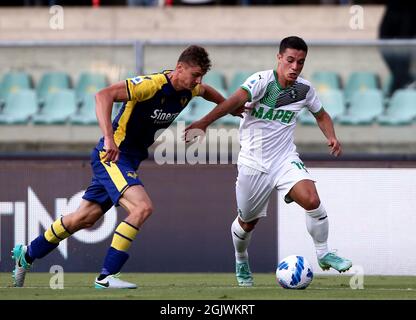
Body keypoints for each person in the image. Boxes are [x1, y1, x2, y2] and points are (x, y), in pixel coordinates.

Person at [12, 45, 236, 289]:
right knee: (142, 207)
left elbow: (207, 92)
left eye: (201, 75)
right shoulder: (150, 85)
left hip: (130, 159)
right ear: (179, 68)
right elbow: (102, 95)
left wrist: (227, 109)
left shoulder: (190, 88)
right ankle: (106, 276)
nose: (198, 80)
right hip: (113, 155)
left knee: (84, 218)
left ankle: (27, 253)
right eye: (195, 74)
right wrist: (108, 138)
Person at [185, 36, 352, 287]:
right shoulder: (261, 81)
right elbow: (233, 101)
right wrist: (203, 123)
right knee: (246, 223)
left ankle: (324, 253)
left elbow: (322, 114)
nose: (295, 67)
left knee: (312, 199)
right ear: (279, 58)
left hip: (284, 159)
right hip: (254, 163)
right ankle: (241, 259)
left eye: (301, 62)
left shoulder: (304, 90)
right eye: (290, 60)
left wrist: (331, 136)